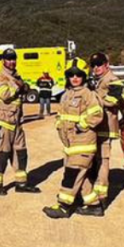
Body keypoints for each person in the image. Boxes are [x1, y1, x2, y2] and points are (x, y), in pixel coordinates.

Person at [43, 60, 104, 218]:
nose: (75, 78)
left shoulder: (88, 94)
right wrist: (58, 124)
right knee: (80, 176)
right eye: (71, 75)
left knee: (72, 174)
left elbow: (97, 114)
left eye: (78, 75)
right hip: (70, 144)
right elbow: (61, 115)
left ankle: (63, 206)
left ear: (84, 76)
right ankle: (94, 205)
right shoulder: (66, 95)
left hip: (83, 143)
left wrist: (81, 125)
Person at [0, 48, 41, 195]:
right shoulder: (0, 77)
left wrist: (22, 86)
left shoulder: (16, 76)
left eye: (13, 59)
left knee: (21, 153)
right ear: (3, 60)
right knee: (2, 154)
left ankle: (21, 183)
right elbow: (5, 95)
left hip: (17, 122)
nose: (11, 62)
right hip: (3, 122)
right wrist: (18, 86)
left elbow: (23, 89)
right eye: (9, 59)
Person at [87, 52, 124, 209]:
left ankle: (101, 197)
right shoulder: (101, 80)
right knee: (97, 159)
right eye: (93, 65)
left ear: (107, 64)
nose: (96, 67)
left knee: (102, 160)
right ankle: (96, 189)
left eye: (99, 64)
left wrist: (95, 100)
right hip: (99, 126)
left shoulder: (111, 79)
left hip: (106, 126)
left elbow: (115, 99)